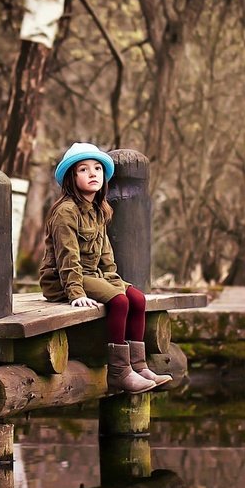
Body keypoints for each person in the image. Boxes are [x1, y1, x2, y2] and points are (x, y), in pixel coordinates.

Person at [38, 142, 172, 394]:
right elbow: (68, 256)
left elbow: (106, 256)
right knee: (120, 302)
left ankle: (139, 366)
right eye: (84, 169)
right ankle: (119, 373)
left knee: (136, 298)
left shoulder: (100, 210)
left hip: (94, 275)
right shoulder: (66, 212)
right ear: (71, 177)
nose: (93, 174)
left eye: (98, 168)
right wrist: (75, 293)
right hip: (64, 279)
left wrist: (114, 281)